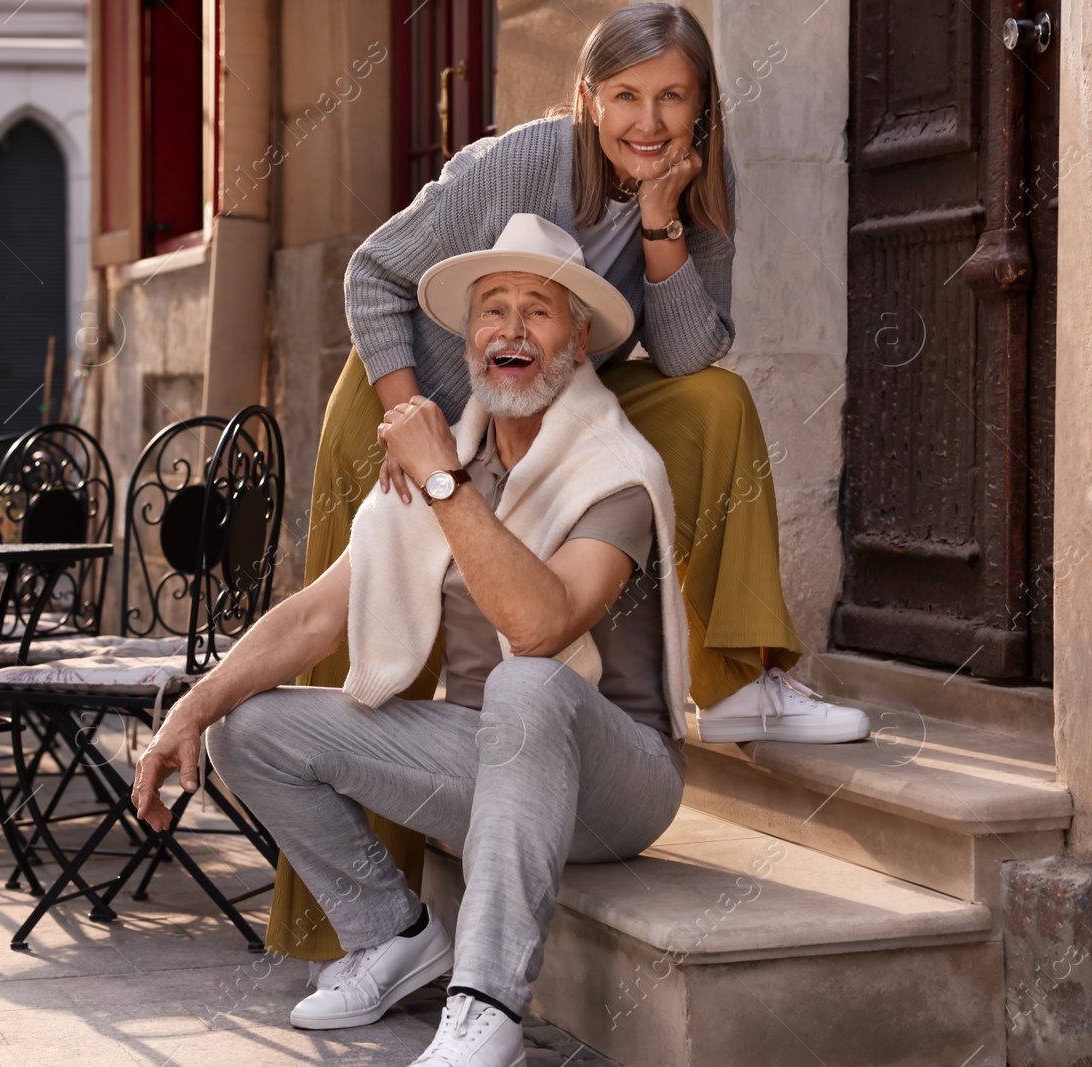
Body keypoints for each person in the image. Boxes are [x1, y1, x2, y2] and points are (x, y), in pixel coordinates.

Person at [277, 1, 867, 965]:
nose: (649, 121)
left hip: (557, 385)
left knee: (716, 400)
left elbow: (686, 350)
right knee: (373, 634)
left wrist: (664, 221)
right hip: (410, 391)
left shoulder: (700, 183)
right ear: (588, 99)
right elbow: (372, 273)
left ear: (702, 103)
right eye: (627, 96)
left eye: (672, 96)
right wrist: (413, 422)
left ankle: (741, 679)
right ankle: (355, 930)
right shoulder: (522, 162)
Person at [135, 214, 718, 1065]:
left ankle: (486, 1008)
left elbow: (543, 624)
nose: (511, 330)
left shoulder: (615, 470)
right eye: (492, 310)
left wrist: (443, 481)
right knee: (247, 725)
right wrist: (188, 709)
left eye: (538, 310)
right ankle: (394, 934)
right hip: (487, 753)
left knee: (529, 679)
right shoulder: (454, 455)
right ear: (471, 337)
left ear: (579, 338)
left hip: (617, 778)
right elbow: (311, 616)